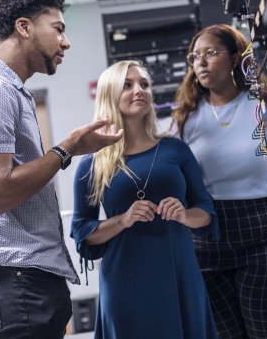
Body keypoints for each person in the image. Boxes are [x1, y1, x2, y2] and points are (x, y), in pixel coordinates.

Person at [0, 0, 123, 339]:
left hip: (20, 274)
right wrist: (67, 149)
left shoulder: (9, 90)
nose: (65, 42)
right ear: (24, 27)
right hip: (12, 274)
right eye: (59, 29)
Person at [71, 60, 219, 339]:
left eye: (144, 84)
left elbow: (205, 211)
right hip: (125, 280)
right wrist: (123, 220)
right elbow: (83, 232)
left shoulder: (175, 149)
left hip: (178, 274)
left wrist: (185, 215)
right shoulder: (92, 163)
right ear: (109, 95)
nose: (139, 90)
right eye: (127, 85)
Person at [171, 24, 267, 338]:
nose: (201, 63)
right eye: (195, 57)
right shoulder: (187, 118)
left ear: (235, 57)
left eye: (211, 53)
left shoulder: (262, 106)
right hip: (207, 235)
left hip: (260, 230)